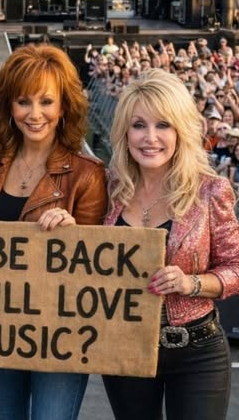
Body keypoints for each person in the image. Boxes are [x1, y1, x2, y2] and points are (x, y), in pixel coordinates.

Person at [0, 43, 108, 420]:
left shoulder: (88, 174)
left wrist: (75, 234)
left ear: (64, 107)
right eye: (24, 102)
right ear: (9, 106)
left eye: (46, 102)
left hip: (59, 331)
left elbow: (98, 269)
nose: (35, 114)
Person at [102, 68, 239, 420]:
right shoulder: (108, 187)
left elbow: (236, 267)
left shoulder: (211, 191)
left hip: (197, 351)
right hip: (126, 346)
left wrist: (191, 283)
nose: (150, 138)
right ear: (125, 132)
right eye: (139, 125)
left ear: (180, 130)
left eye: (163, 125)